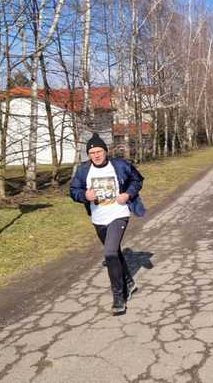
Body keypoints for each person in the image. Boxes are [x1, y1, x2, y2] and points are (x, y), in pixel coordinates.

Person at [70, 133, 146, 315]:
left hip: (118, 214)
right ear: (88, 154)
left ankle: (119, 297)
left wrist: (127, 194)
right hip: (98, 218)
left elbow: (137, 180)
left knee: (110, 252)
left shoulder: (119, 165)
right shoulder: (83, 171)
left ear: (106, 151)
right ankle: (129, 281)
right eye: (92, 152)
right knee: (115, 253)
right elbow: (73, 190)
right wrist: (84, 196)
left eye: (99, 151)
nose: (96, 155)